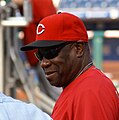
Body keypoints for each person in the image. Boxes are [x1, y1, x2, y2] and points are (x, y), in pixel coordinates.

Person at [20, 12, 119, 120]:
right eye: (40, 55)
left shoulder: (90, 91)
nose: (44, 63)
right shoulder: (79, 86)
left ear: (78, 48)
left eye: (50, 52)